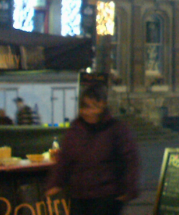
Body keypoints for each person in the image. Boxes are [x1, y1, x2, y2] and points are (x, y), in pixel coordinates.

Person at [46, 83, 140, 215]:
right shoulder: (75, 130)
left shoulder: (116, 129)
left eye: (93, 107)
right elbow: (64, 159)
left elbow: (130, 159)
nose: (88, 112)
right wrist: (55, 183)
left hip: (106, 196)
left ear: (102, 106)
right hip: (79, 196)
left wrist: (129, 189)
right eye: (85, 107)